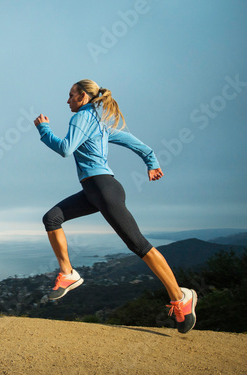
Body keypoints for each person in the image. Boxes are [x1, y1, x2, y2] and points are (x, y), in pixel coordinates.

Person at [34, 79, 197, 334]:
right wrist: (151, 161)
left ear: (84, 97)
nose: (67, 101)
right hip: (94, 191)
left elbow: (66, 149)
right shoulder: (98, 123)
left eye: (71, 96)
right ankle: (68, 273)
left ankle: (181, 298)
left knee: (139, 245)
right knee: (52, 218)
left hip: (104, 190)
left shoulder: (82, 118)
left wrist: (44, 130)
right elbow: (133, 141)